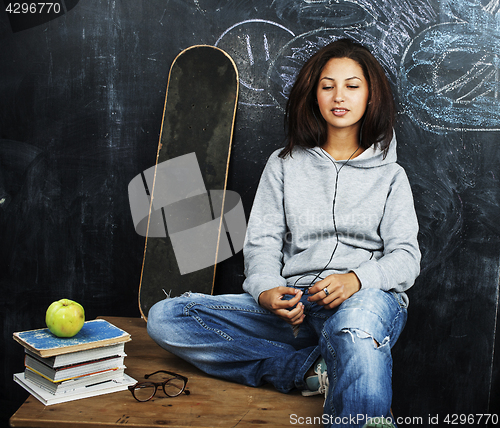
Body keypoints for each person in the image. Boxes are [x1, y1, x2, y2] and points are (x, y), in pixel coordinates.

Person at [147, 38, 420, 428]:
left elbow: (406, 258)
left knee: (355, 332)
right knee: (167, 317)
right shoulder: (284, 164)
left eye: (352, 85)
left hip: (365, 302)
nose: (338, 96)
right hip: (297, 307)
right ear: (314, 95)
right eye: (327, 86)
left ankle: (340, 360)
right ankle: (309, 370)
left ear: (371, 96)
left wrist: (357, 279)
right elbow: (262, 244)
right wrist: (265, 289)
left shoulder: (392, 176)